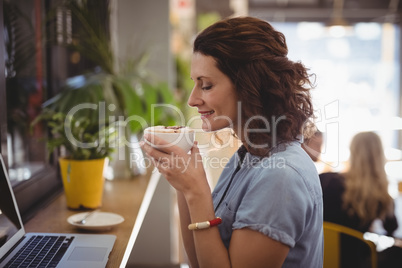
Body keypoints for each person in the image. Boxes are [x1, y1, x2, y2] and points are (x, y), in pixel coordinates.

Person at [141, 16, 323, 268]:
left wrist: (197, 191)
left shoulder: (280, 177)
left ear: (249, 86)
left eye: (206, 85)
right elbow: (199, 261)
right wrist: (184, 183)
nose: (192, 100)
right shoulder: (247, 155)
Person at [320, 131, 401, 268]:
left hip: (318, 256)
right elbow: (391, 228)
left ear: (352, 152)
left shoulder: (326, 180)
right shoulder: (380, 194)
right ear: (380, 156)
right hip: (353, 261)